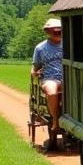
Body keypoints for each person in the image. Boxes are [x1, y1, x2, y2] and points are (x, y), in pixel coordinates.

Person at [31, 18, 64, 146]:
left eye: (59, 30)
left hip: (67, 78)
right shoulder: (40, 48)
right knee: (51, 90)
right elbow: (36, 67)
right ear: (48, 32)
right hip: (50, 78)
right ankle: (55, 121)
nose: (57, 32)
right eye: (54, 31)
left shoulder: (69, 44)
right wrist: (34, 72)